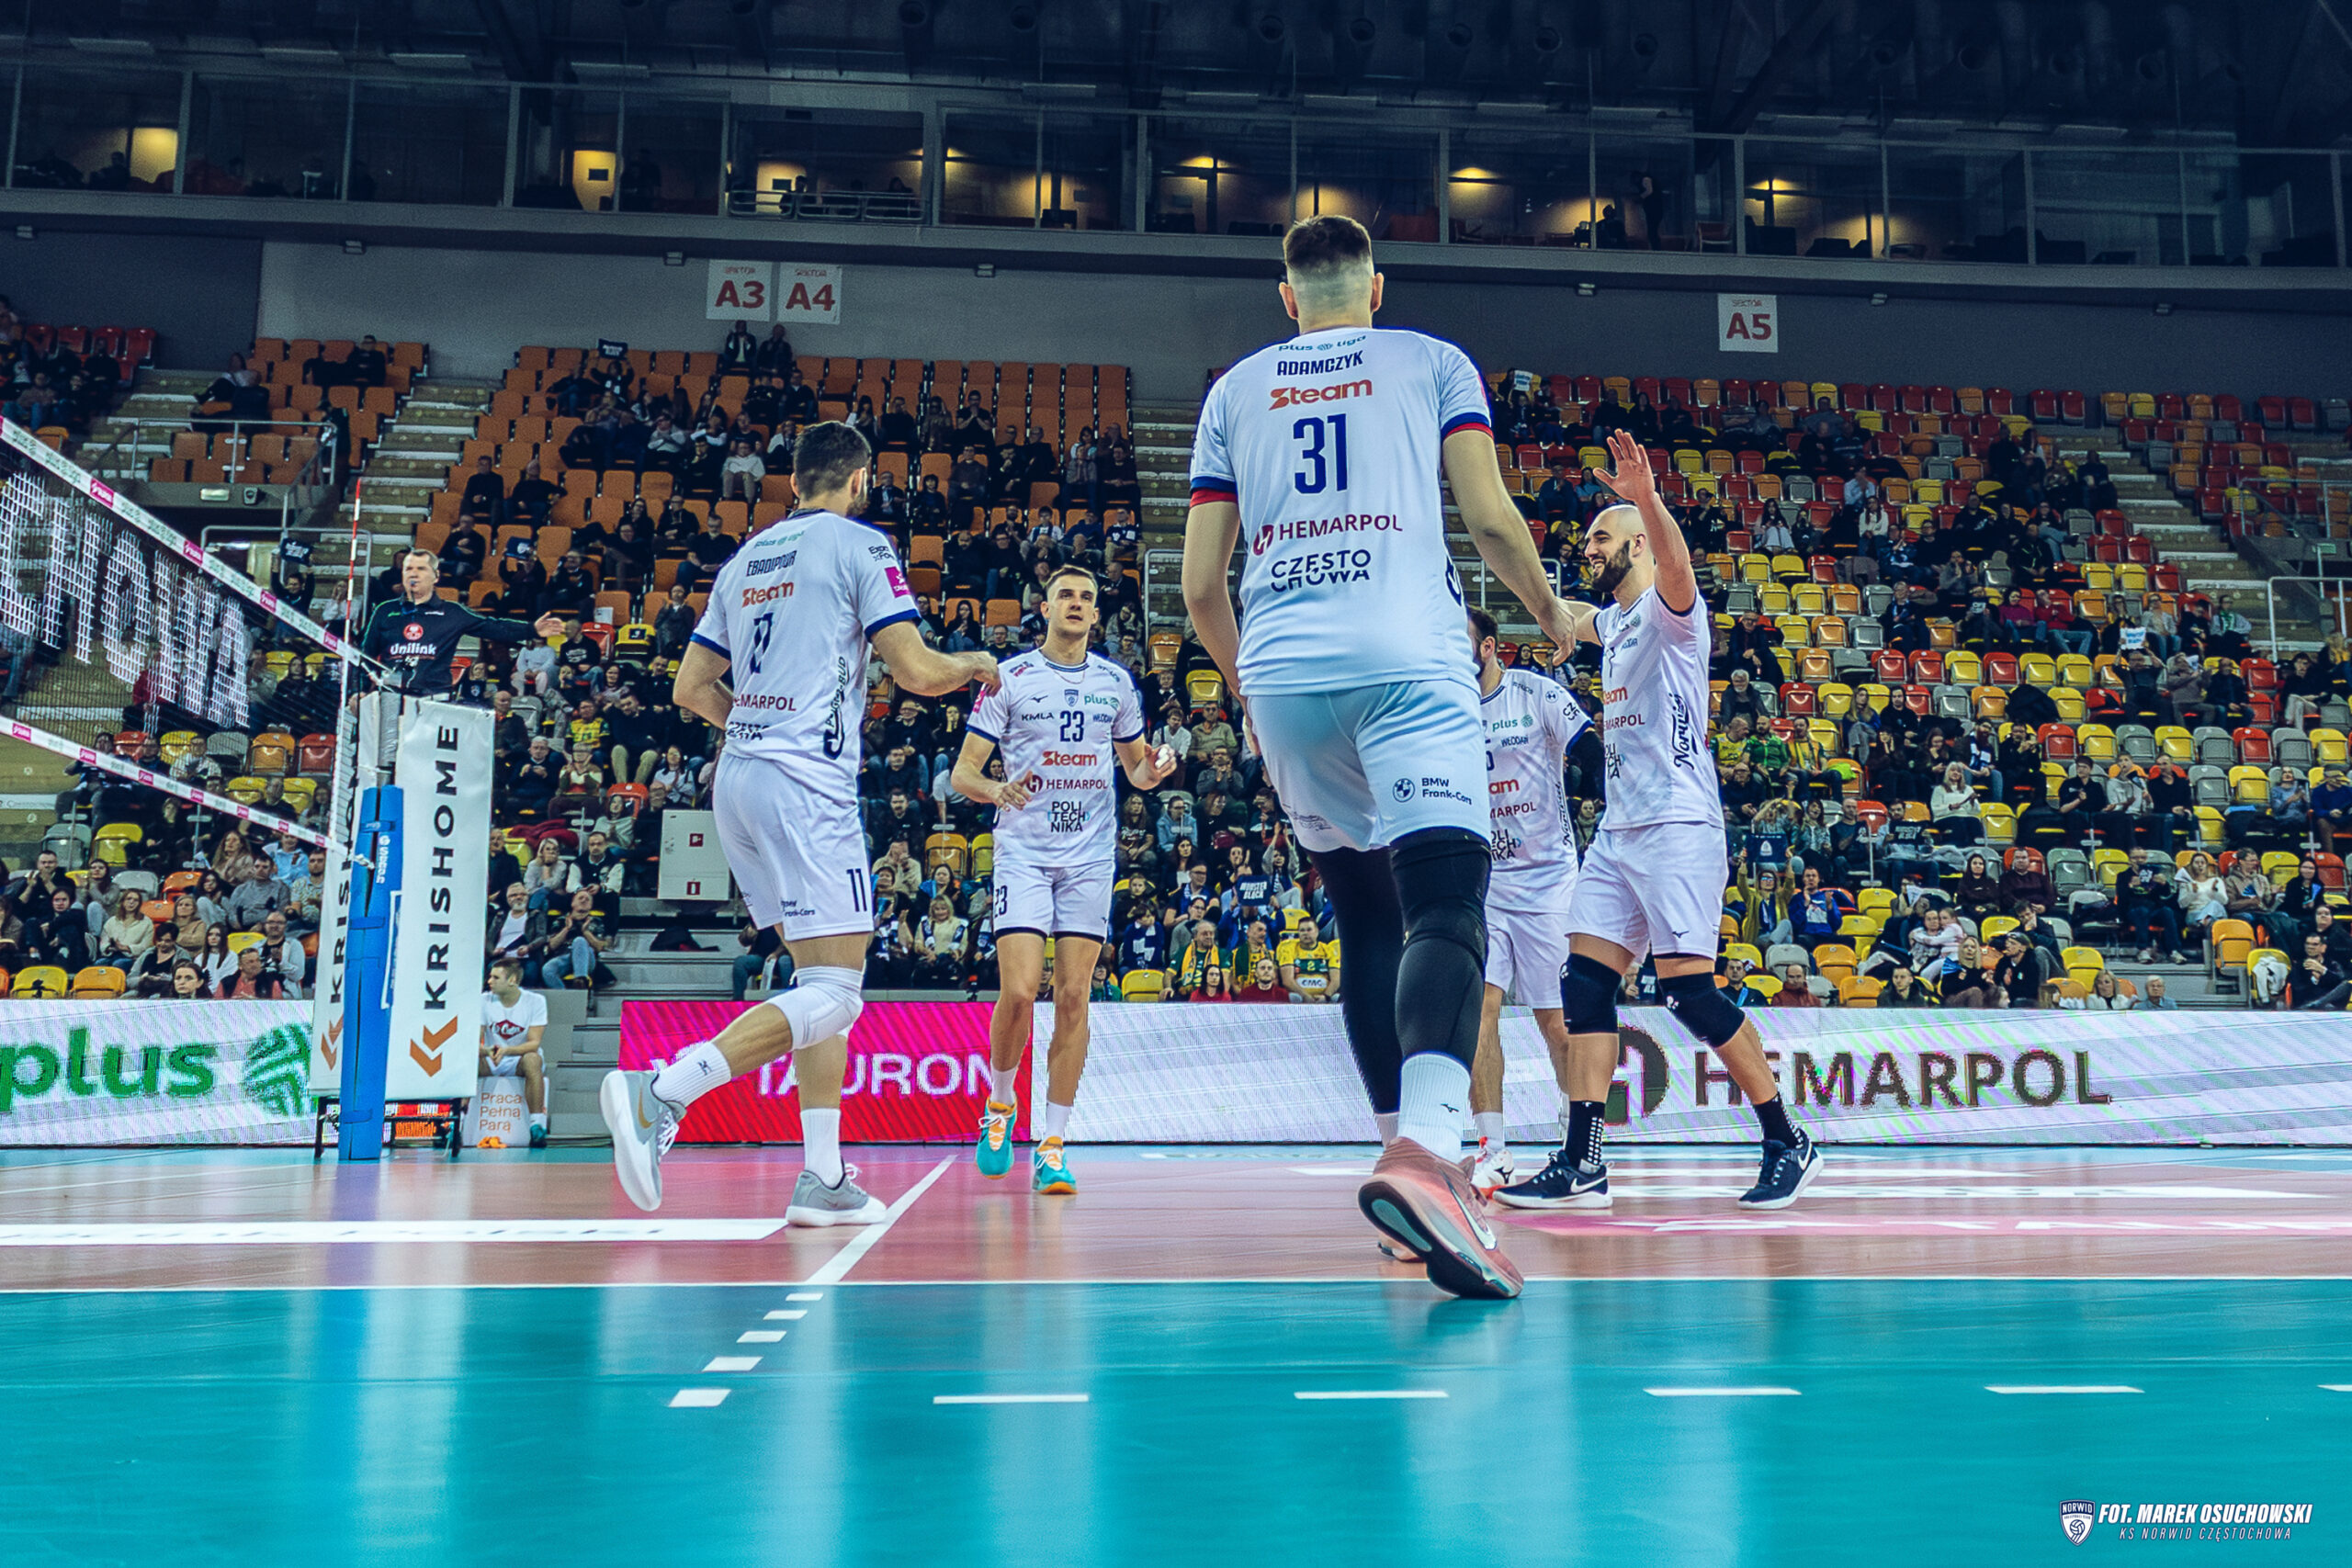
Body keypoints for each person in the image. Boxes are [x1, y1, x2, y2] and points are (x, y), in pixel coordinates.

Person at [1180, 215, 1582, 1301]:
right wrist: (1549, 614)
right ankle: (1429, 1159)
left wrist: (1249, 688)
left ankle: (1404, 1184)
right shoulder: (1432, 361)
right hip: (1407, 660)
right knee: (1446, 902)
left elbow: (1200, 587)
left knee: (1365, 919)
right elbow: (1488, 519)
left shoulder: (1233, 392)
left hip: (1282, 675)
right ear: (1376, 288)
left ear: (1286, 299)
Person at [600, 422, 998, 1224]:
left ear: (793, 481)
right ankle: (662, 1090)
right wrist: (978, 665)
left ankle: (822, 1175)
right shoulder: (860, 544)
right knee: (840, 995)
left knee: (818, 980)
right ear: (860, 482)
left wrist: (759, 730)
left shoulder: (746, 558)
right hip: (805, 786)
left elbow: (690, 687)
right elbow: (918, 671)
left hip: (739, 779)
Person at [1511, 431, 1821, 1216]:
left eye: (1601, 537)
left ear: (1639, 544)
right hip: (1620, 831)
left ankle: (1787, 1138)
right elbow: (1559, 611)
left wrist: (1645, 497)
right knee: (1584, 984)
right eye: (1587, 539)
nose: (1588, 548)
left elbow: (1676, 567)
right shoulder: (1615, 624)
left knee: (1689, 994)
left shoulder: (1672, 611)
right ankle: (1583, 1159)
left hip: (1679, 823)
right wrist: (1500, 554)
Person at [950, 566, 1171, 1192]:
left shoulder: (1116, 682)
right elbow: (963, 774)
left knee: (1074, 995)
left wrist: (1156, 767)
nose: (1076, 604)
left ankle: (1053, 1145)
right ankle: (999, 1104)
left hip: (1090, 856)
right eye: (1065, 595)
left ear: (1097, 614)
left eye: (1086, 598)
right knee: (1021, 990)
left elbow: (1138, 772)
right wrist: (997, 789)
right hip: (1024, 851)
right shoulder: (1009, 678)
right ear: (1044, 608)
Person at [1458, 606, 1590, 1201]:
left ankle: (1577, 1138)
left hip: (1548, 883)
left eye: (1459, 639)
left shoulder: (1535, 693)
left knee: (1555, 1021)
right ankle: (1493, 1150)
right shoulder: (1445, 707)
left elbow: (1591, 748)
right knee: (1478, 1011)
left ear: (1488, 647)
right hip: (1483, 882)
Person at [358, 549, 565, 699]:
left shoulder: (453, 612)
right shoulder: (384, 610)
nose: (413, 574)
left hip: (434, 698)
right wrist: (361, 690)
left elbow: (494, 627)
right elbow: (365, 655)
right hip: (389, 697)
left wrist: (531, 629)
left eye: (421, 569)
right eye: (408, 569)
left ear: (436, 576)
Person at [480, 956, 550, 1147]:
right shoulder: (483, 1000)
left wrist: (507, 1050)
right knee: (468, 1059)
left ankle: (537, 1126)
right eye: (490, 977)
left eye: (495, 978)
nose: (489, 981)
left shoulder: (536, 1002)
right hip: (492, 1057)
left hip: (518, 1058)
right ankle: (456, 1123)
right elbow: (474, 1042)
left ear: (512, 980)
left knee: (533, 1059)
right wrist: (487, 1050)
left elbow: (534, 1043)